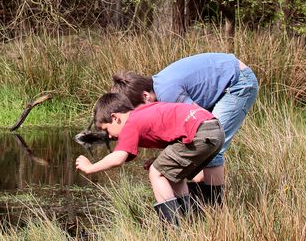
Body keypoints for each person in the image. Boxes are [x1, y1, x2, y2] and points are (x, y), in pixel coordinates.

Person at [111, 52, 258, 205]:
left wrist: (168, 159)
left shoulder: (167, 93)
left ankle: (214, 209)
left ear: (146, 95)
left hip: (237, 82)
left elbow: (200, 124)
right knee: (202, 150)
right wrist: (169, 157)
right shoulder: (159, 89)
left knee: (212, 145)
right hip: (226, 79)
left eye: (138, 110)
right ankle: (197, 207)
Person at [74, 91, 223, 225]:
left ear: (115, 118)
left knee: (156, 172)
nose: (110, 136)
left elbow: (118, 158)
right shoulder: (143, 112)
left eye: (106, 130)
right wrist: (161, 159)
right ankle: (187, 222)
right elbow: (173, 131)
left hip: (199, 132)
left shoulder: (130, 123)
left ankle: (171, 229)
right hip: (213, 128)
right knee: (172, 175)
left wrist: (90, 167)